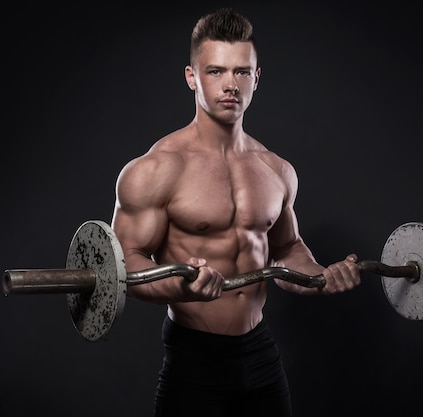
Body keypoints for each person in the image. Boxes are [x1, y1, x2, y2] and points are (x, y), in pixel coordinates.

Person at [110, 8, 362, 417]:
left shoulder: (276, 170)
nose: (230, 85)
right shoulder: (155, 170)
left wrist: (319, 277)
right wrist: (181, 286)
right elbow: (126, 268)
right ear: (192, 77)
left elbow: (287, 249)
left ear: (257, 78)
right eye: (215, 71)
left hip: (260, 353)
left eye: (242, 72)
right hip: (194, 360)